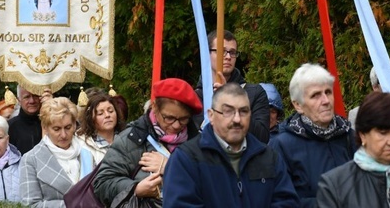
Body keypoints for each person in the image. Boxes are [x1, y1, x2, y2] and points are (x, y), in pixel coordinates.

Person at [163, 83, 299, 207]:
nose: (237, 119)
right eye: (228, 111)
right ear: (211, 115)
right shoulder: (186, 160)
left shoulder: (269, 158)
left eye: (244, 111)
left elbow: (287, 203)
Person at [94, 78, 202, 207]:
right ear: (155, 107)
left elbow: (213, 183)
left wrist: (170, 167)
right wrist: (135, 188)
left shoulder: (198, 142)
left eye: (184, 119)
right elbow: (102, 183)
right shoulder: (131, 139)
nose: (176, 125)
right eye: (169, 118)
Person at [270, 63, 357, 208]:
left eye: (328, 92)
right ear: (298, 105)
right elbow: (279, 200)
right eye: (315, 95)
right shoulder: (282, 146)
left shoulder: (349, 136)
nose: (326, 101)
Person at [194, 29, 270, 143]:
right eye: (222, 51)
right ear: (207, 54)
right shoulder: (195, 98)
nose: (228, 57)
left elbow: (262, 137)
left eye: (232, 52)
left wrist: (231, 98)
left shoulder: (255, 93)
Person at [19, 97, 94, 207]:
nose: (63, 135)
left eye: (68, 127)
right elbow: (30, 204)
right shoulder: (31, 159)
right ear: (45, 127)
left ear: (74, 124)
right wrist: (71, 205)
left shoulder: (87, 153)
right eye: (57, 129)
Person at [76, 92, 125, 164]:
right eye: (100, 113)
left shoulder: (127, 138)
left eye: (110, 111)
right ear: (91, 118)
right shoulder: (82, 144)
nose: (107, 115)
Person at [8, 86, 51, 154]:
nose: (32, 101)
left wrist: (51, 107)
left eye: (35, 95)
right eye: (27, 97)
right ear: (19, 100)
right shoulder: (10, 127)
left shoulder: (51, 122)